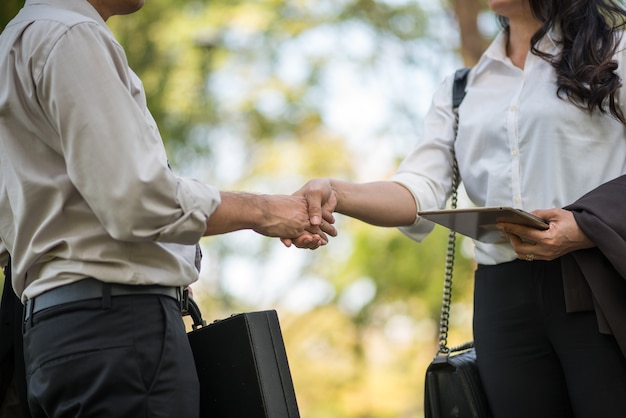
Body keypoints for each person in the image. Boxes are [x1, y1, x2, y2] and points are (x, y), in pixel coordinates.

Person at [287, 0, 626, 416]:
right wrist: (337, 192)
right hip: (502, 299)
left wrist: (585, 226)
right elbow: (418, 189)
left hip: (595, 280)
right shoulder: (462, 89)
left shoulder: (616, 54)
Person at [0, 0, 335, 416]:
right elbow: (138, 200)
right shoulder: (71, 36)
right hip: (120, 333)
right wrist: (266, 210)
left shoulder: (10, 44)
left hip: (53, 338)